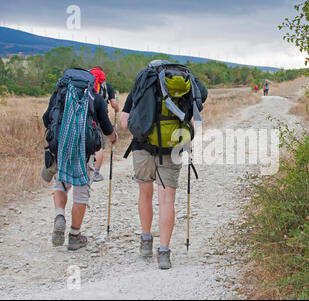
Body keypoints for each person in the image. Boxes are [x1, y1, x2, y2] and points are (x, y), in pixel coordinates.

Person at [119, 61, 207, 269]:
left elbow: (124, 123)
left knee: (145, 194)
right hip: (172, 149)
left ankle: (146, 241)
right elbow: (196, 123)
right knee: (167, 200)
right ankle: (165, 252)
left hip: (142, 146)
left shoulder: (143, 84)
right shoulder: (185, 86)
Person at [43, 68, 118, 251]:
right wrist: (114, 137)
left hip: (60, 147)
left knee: (60, 184)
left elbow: (47, 119)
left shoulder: (60, 94)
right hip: (85, 150)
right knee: (81, 193)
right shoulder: (97, 99)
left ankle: (60, 215)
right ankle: (75, 236)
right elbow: (106, 128)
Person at [89, 66, 120, 182]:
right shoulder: (108, 87)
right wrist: (117, 108)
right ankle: (95, 173)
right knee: (99, 145)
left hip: (86, 118)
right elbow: (113, 104)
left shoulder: (86, 85)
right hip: (101, 118)